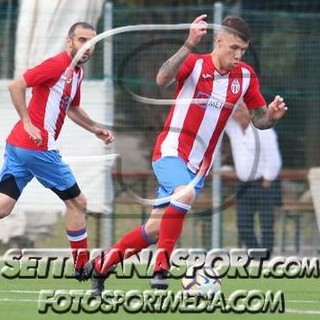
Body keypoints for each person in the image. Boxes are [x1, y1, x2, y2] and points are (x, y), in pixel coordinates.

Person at [83, 14, 287, 295]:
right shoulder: (195, 63)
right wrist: (189, 44)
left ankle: (101, 266)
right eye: (234, 48)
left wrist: (272, 116)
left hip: (198, 165)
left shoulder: (245, 76)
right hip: (170, 150)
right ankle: (160, 268)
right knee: (185, 194)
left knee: (154, 230)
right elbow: (162, 78)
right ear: (219, 41)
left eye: (243, 49)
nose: (238, 55)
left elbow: (259, 120)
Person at [0, 22, 114, 280]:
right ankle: (82, 267)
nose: (86, 47)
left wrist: (95, 128)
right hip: (36, 148)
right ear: (69, 41)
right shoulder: (57, 65)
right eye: (81, 40)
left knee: (4, 206)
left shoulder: (76, 73)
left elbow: (72, 108)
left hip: (20, 146)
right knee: (78, 202)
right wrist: (28, 121)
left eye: (91, 43)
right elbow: (16, 85)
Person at [225, 103, 282, 255]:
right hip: (243, 185)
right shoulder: (233, 128)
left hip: (263, 183)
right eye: (235, 111)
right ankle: (256, 256)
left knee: (266, 223)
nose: (236, 114)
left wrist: (268, 180)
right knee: (243, 223)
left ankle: (267, 257)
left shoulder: (263, 131)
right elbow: (221, 113)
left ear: (250, 112)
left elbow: (274, 158)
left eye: (240, 110)